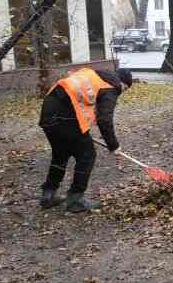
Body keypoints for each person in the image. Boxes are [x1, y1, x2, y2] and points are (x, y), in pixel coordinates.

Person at [39, 67, 133, 213]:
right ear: (122, 83)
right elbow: (104, 120)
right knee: (87, 155)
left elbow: (79, 103)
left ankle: (48, 194)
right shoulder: (111, 86)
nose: (122, 92)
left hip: (48, 110)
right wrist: (114, 146)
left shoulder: (93, 74)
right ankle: (75, 200)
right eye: (125, 88)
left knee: (61, 154)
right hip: (66, 116)